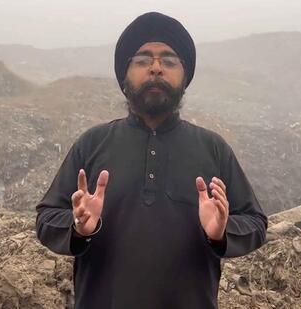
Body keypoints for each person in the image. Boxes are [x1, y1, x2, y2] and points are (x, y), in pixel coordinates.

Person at [36, 11, 268, 309]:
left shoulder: (213, 149)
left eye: (169, 61)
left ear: (184, 79)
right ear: (125, 77)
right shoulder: (92, 144)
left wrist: (222, 233)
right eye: (143, 60)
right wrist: (79, 227)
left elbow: (255, 223)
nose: (156, 69)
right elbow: (46, 218)